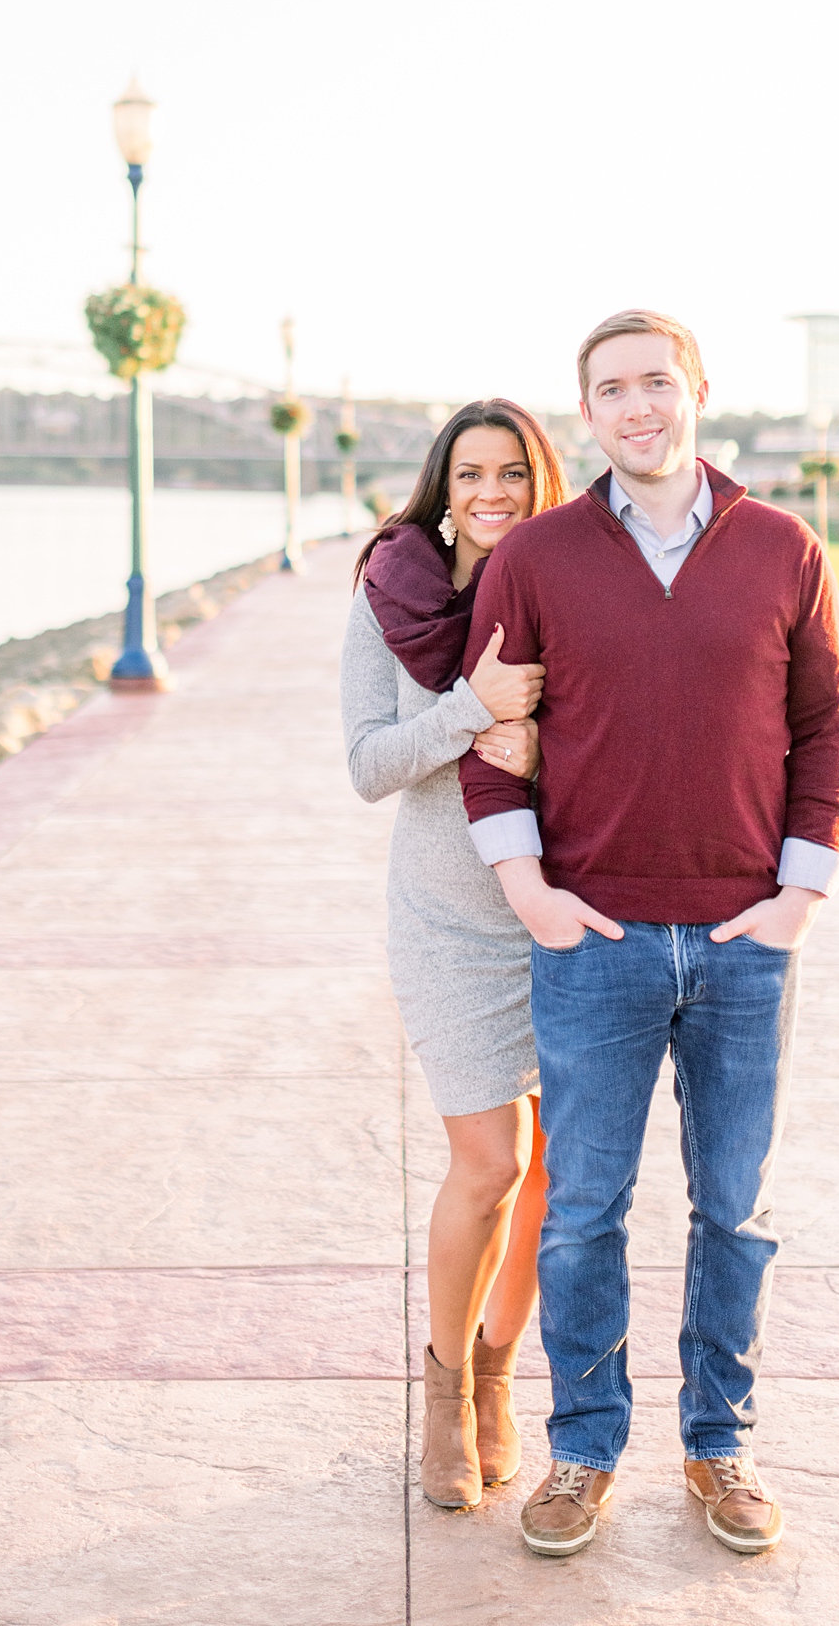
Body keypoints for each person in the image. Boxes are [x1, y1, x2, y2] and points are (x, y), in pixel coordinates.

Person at [457, 311, 839, 1563]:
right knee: (582, 1214)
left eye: (655, 383)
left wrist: (797, 897)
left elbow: (826, 725)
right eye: (610, 389)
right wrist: (527, 890)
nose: (636, 406)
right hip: (596, 939)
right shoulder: (536, 560)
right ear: (587, 414)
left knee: (734, 1209)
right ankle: (583, 1451)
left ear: (694, 393)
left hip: (745, 938)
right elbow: (490, 737)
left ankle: (719, 1440)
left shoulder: (781, 548)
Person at [342, 399, 571, 1511]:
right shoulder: (390, 596)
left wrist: (542, 737)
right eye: (470, 474)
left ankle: (494, 1378)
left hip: (568, 910)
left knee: (558, 1172)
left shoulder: (576, 582)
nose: (492, 494)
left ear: (542, 482)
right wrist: (467, 712)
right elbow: (367, 764)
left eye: (512, 473)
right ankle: (439, 1392)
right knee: (489, 1163)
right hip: (445, 918)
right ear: (442, 488)